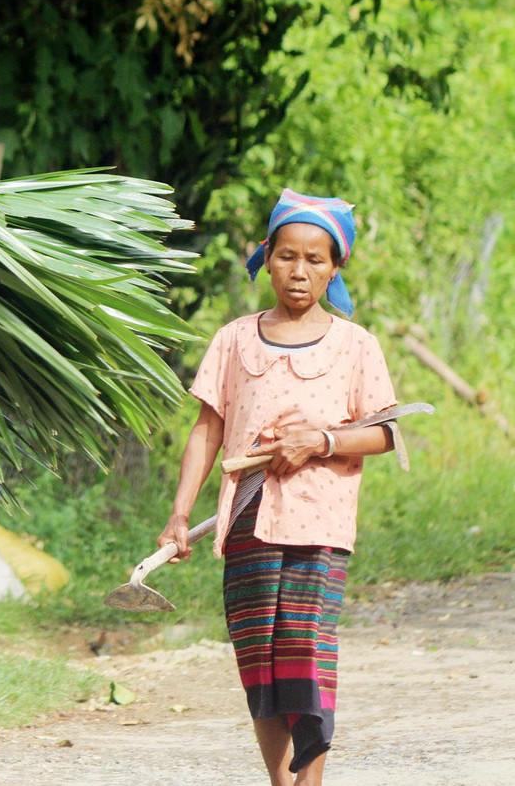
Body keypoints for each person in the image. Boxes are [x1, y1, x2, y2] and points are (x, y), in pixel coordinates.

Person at [157, 189, 398, 786]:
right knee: (259, 658)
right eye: (287, 255)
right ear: (266, 258)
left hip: (320, 522)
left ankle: (308, 782)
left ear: (335, 267)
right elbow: (207, 430)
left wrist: (321, 442)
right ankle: (281, 781)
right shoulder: (234, 340)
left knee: (303, 651)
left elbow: (387, 433)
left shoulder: (355, 345)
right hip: (247, 517)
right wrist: (179, 514)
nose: (300, 271)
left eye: (316, 260)